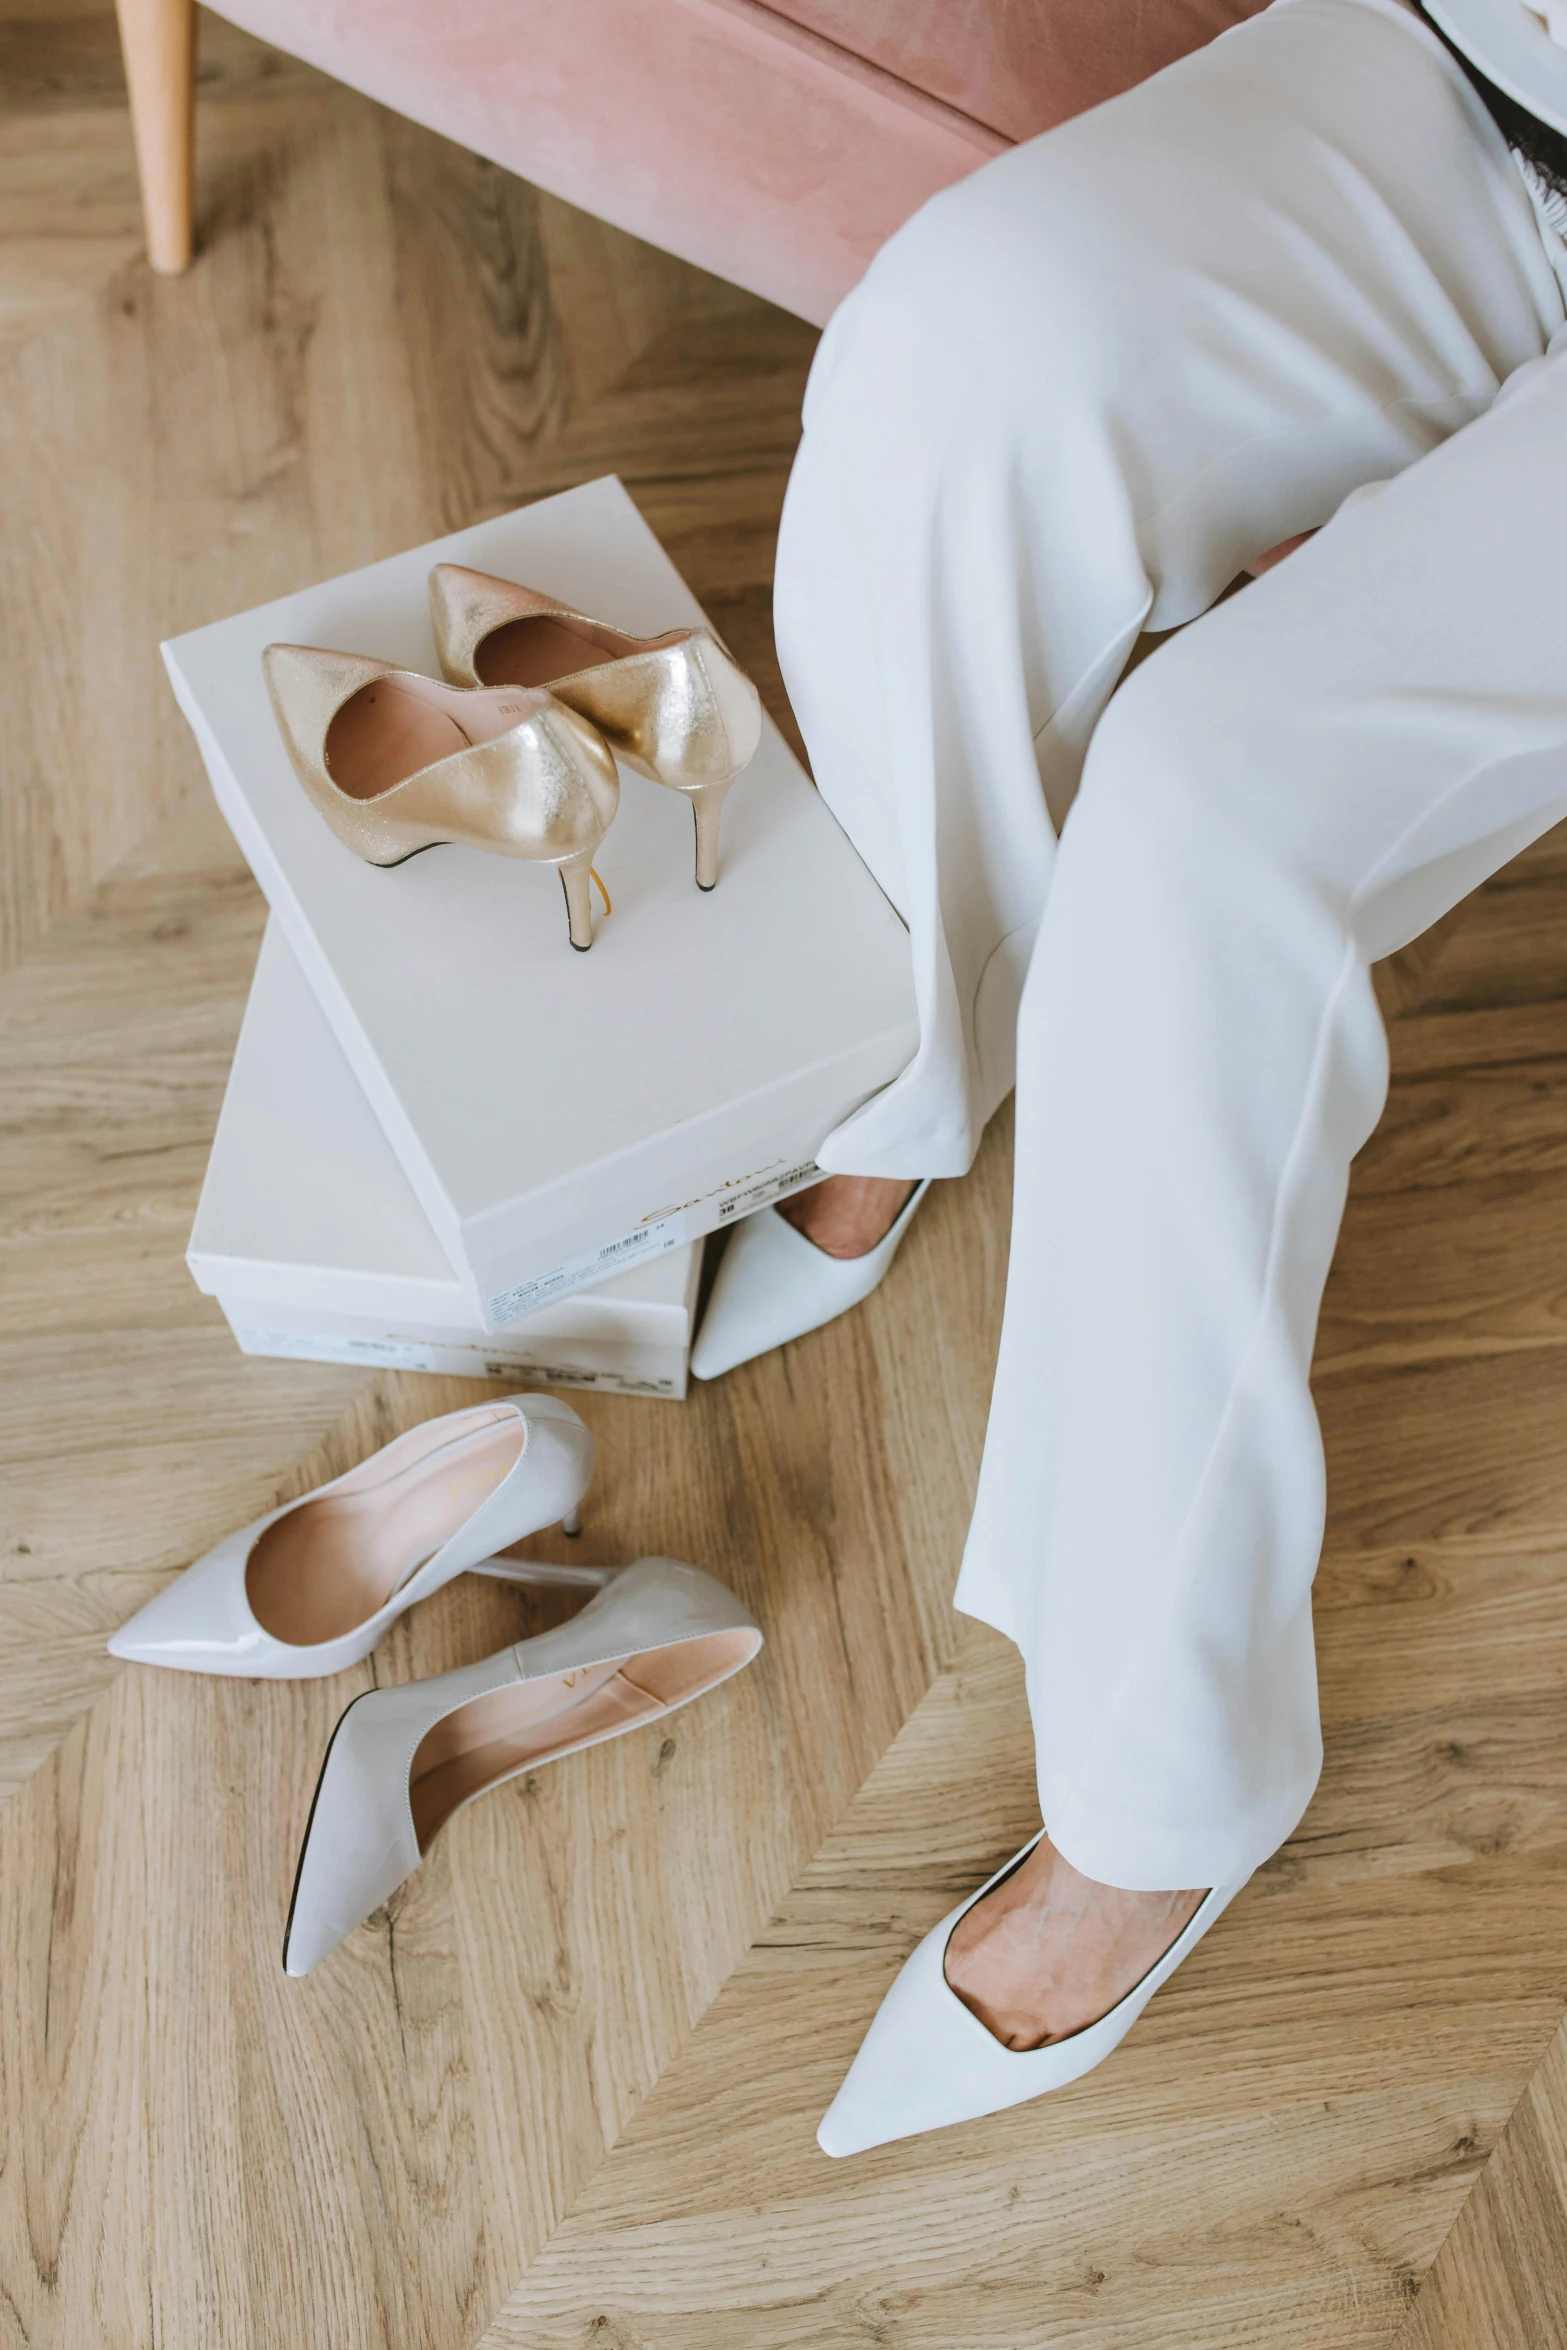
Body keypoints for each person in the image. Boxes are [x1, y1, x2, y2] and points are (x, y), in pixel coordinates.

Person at [690, 0, 1567, 2153]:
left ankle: (1163, 1780)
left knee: (1208, 813)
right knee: (951, 363)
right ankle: (908, 1064)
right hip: (1491, 70)